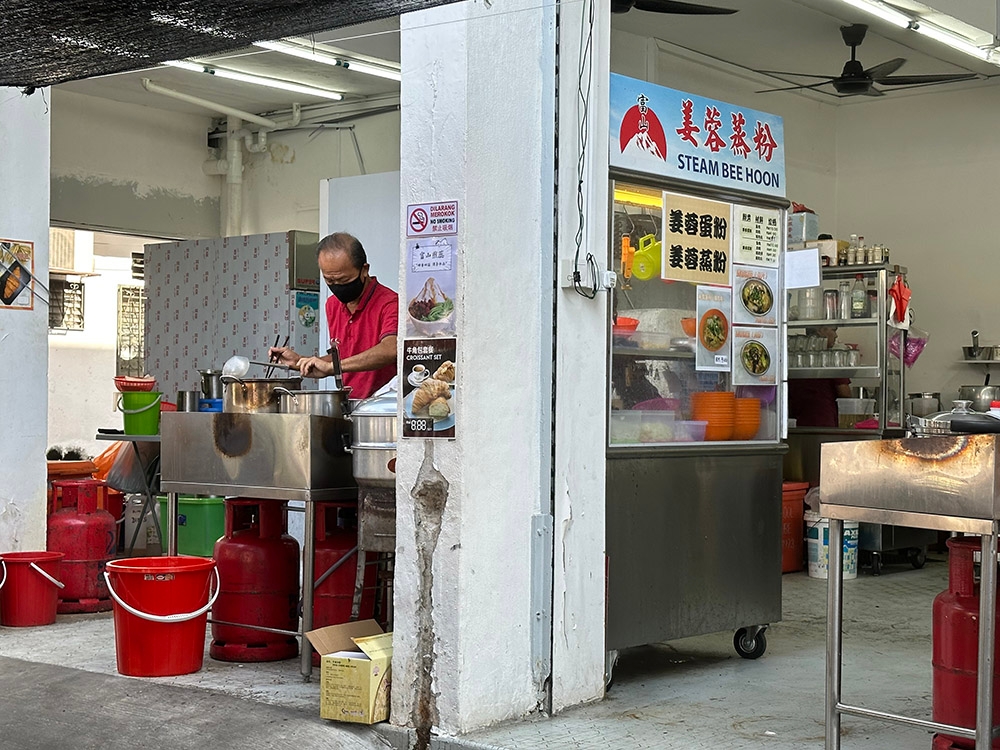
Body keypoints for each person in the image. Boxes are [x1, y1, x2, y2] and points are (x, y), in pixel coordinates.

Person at [270, 232, 398, 400]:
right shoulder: (333, 305)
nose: (337, 287)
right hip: (350, 404)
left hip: (384, 408)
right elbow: (343, 356)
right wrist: (301, 361)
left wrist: (332, 367)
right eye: (329, 281)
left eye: (343, 280)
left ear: (364, 270)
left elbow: (392, 349)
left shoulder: (390, 303)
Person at [787, 325, 852, 428]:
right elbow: (845, 392)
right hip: (824, 421)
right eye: (833, 330)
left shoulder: (794, 358)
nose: (836, 335)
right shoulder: (831, 358)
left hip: (796, 423)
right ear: (820, 331)